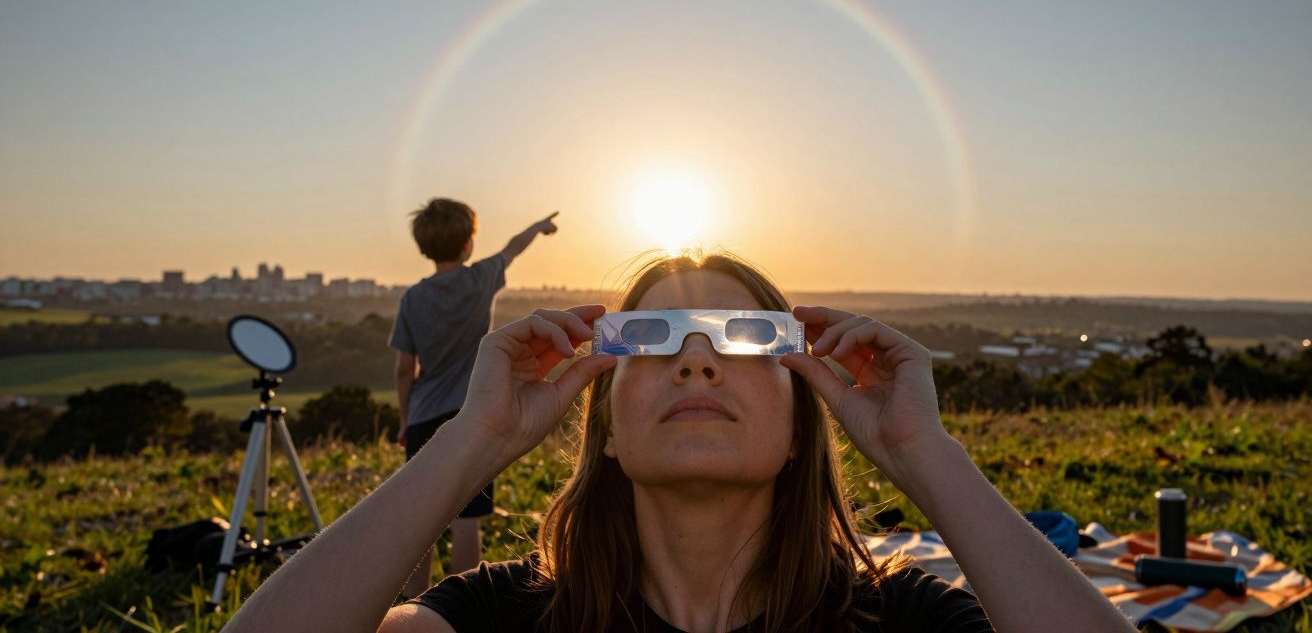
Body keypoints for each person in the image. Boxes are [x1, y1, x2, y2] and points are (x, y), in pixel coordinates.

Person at [227, 253, 1136, 633]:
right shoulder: (507, 619)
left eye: (747, 340)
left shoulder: (900, 622)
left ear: (797, 427)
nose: (697, 363)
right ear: (608, 429)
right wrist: (471, 442)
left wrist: (925, 456)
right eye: (651, 341)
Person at [390, 197, 558, 595]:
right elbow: (513, 248)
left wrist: (403, 420)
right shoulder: (481, 278)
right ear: (468, 244)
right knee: (468, 516)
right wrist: (539, 226)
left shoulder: (412, 299)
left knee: (421, 517)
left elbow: (403, 369)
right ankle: (458, 605)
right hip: (473, 410)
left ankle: (414, 606)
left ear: (423, 248)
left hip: (423, 415)